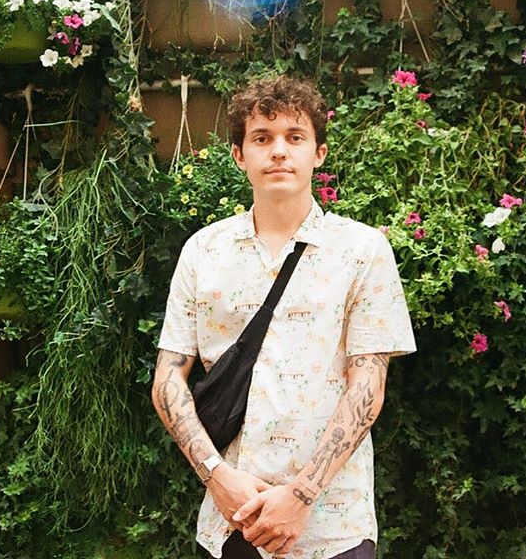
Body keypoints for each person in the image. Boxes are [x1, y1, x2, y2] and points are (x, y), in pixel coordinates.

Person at [152, 75, 416, 559]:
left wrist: (300, 496)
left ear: (319, 153)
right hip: (233, 518)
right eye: (262, 138)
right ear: (239, 155)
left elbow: (367, 387)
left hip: (333, 524)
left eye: (295, 137)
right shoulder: (203, 252)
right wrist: (216, 475)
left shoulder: (362, 251)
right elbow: (168, 379)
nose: (278, 151)